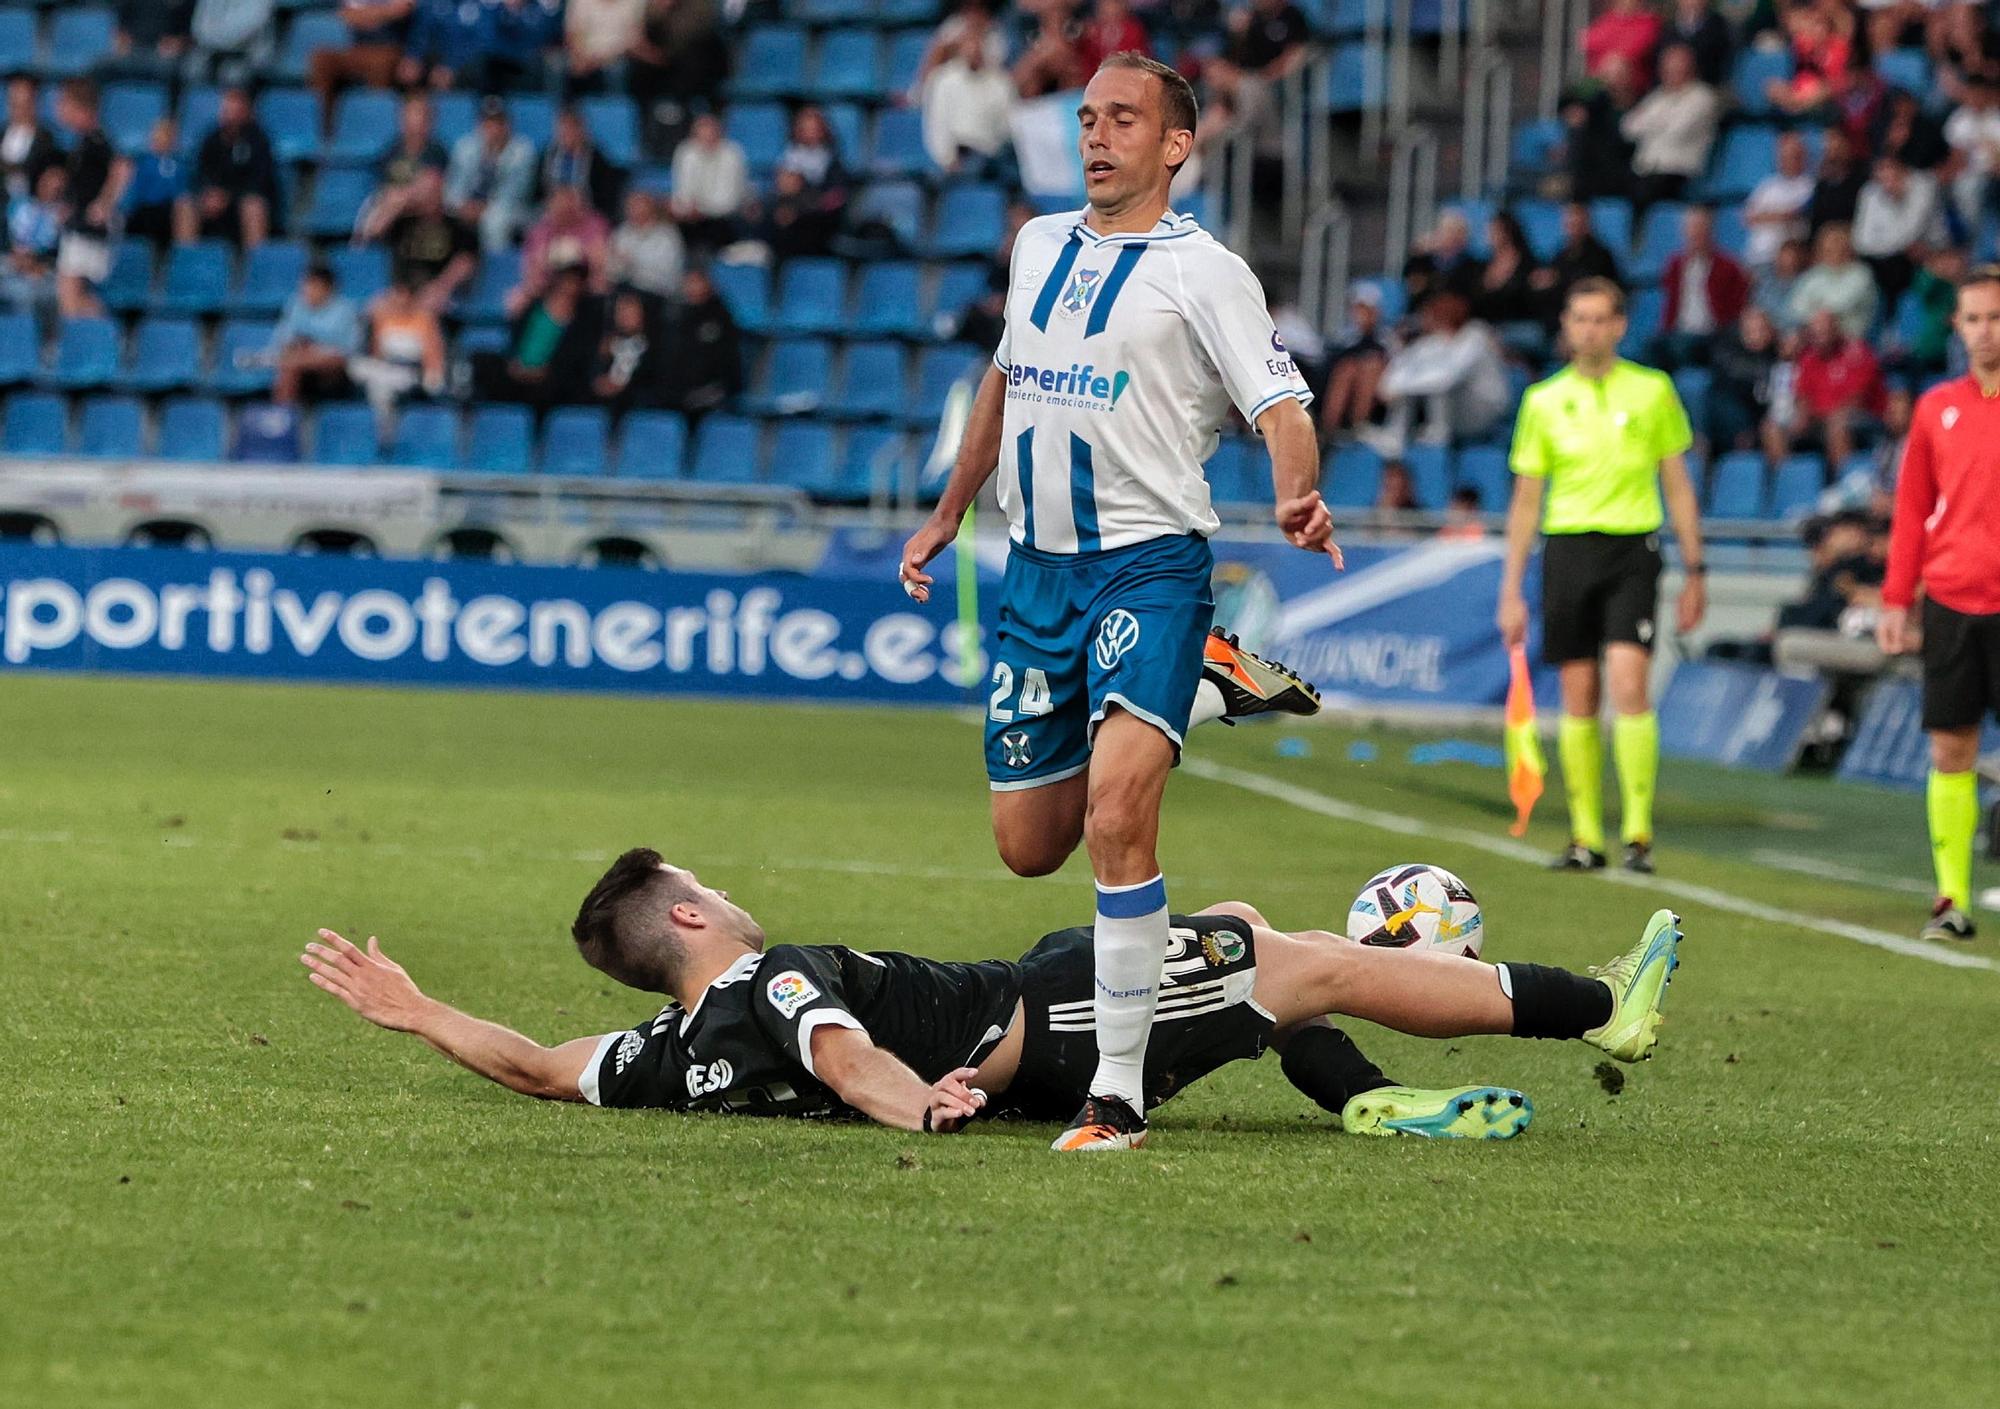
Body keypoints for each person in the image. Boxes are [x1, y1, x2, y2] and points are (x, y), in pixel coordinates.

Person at [897, 54, 1335, 1154]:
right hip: (1037, 574)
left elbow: (1279, 400)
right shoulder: (1035, 244)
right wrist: (951, 507)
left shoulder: (1207, 272)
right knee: (1027, 843)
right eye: (1087, 118)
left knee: (1115, 818)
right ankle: (1206, 683)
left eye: (1122, 119)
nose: (1096, 136)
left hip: (1147, 566)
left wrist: (1296, 489)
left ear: (1174, 145)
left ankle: (1118, 1095)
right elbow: (1005, 374)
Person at [301, 849, 1687, 1138]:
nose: (731, 890)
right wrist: (921, 1107)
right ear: (686, 913)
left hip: (1045, 1032)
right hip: (1057, 1015)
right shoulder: (776, 977)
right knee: (1306, 959)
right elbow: (846, 1059)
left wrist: (421, 1011)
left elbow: (546, 1064)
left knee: (1254, 928)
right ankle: (1597, 1007)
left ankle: (1373, 1105)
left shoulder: (669, 1048)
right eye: (708, 882)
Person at [1498, 278, 1707, 875]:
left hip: (1631, 549)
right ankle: (1586, 835)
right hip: (1565, 550)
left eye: (1599, 319)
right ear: (1566, 325)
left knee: (1629, 684)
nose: (1589, 329)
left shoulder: (1652, 391)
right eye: (1579, 318)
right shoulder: (1543, 400)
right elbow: (1525, 499)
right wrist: (1511, 587)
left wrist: (1696, 568)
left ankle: (1638, 832)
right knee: (1578, 693)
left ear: (1619, 325)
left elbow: (1677, 483)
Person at [1879, 266, 2000, 942]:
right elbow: (1912, 508)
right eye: (1974, 318)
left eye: (1996, 317)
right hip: (1953, 598)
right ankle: (1951, 897)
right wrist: (1898, 596)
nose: (1986, 331)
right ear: (1956, 326)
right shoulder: (1936, 407)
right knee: (1951, 750)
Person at [1367, 290, 1511, 454]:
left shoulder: (1476, 338)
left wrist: (1401, 387)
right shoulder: (1432, 342)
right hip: (1458, 410)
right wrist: (1391, 386)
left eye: (1429, 315)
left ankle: (1438, 437)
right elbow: (1403, 366)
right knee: (1414, 386)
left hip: (1485, 412)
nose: (1423, 320)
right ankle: (1395, 436)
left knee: (1435, 386)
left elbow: (1448, 378)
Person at [1767, 309, 1885, 473]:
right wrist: (1802, 417)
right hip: (1819, 419)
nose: (1819, 338)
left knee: (1836, 425)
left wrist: (1827, 416)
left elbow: (1857, 400)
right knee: (1772, 428)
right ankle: (1789, 481)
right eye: (1815, 334)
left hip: (1861, 417)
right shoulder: (1808, 359)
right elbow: (1803, 397)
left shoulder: (1858, 353)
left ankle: (1842, 485)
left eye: (1824, 332)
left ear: (1836, 330)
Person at [471, 260, 603, 408]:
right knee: (483, 362)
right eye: (566, 279)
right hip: (517, 370)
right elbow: (518, 337)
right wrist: (517, 365)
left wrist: (542, 371)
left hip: (549, 379)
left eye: (574, 282)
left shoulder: (583, 320)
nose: (568, 286)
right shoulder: (534, 307)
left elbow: (574, 359)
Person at [53, 81, 131, 320]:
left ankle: (111, 338)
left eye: (65, 104)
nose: (59, 110)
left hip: (89, 230)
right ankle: (95, 342)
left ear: (82, 109)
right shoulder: (83, 141)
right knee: (70, 299)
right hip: (78, 226)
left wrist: (104, 204)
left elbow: (123, 168)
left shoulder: (98, 139)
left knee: (70, 295)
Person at [358, 165, 479, 313]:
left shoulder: (456, 224)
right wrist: (400, 203)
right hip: (402, 291)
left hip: (439, 292)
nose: (428, 197)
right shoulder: (403, 222)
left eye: (433, 191)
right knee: (374, 309)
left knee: (426, 307)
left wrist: (441, 286)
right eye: (424, 191)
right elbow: (373, 232)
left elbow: (465, 262)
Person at [1620, 44, 1721, 213]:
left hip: (1680, 172)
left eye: (1676, 69)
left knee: (1646, 194)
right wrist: (1663, 121)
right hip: (1646, 170)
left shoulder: (1702, 97)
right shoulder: (1658, 96)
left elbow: (1678, 132)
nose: (1670, 74)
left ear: (1690, 69)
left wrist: (1650, 121)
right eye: (1667, 69)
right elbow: (1627, 128)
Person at [345, 276, 446, 434]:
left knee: (380, 388)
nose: (398, 300)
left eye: (402, 295)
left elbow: (433, 354)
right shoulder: (382, 318)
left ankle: (385, 434)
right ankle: (382, 430)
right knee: (359, 368)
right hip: (386, 369)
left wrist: (433, 378)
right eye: (395, 295)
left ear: (411, 297)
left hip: (411, 373)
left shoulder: (425, 319)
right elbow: (376, 354)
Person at [1655, 205, 1750, 370]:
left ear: (1710, 231)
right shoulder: (1675, 265)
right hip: (1679, 331)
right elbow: (1670, 303)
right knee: (1651, 348)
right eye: (1691, 229)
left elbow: (1737, 306)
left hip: (1712, 334)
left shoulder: (1728, 266)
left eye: (1699, 228)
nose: (1695, 234)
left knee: (1682, 348)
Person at [446, 98, 537, 255]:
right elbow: (453, 187)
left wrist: (481, 209)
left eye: (498, 123)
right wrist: (463, 206)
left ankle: (493, 270)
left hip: (509, 209)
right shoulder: (465, 147)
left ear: (508, 125)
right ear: (479, 125)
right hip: (467, 205)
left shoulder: (522, 151)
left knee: (495, 221)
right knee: (444, 211)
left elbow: (514, 195)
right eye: (488, 123)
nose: (493, 129)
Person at [1852, 155, 1946, 307]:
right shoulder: (1870, 192)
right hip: (1890, 257)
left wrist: (1897, 200)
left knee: (1903, 260)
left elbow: (1911, 233)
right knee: (1869, 268)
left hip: (1932, 250)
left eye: (1892, 172)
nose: (1887, 181)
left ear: (1903, 170)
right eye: (1881, 174)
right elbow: (1860, 241)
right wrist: (1888, 248)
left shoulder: (1924, 185)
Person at [921, 30, 1017, 175]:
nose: (974, 51)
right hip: (958, 154)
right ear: (961, 49)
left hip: (992, 155)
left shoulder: (1001, 82)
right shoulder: (943, 80)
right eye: (969, 46)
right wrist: (947, 159)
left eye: (979, 46)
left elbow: (1007, 127)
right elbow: (937, 124)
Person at [194, 87, 278, 248]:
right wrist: (209, 193)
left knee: (253, 207)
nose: (231, 114)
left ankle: (256, 264)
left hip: (243, 200)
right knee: (186, 206)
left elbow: (260, 180)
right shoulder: (211, 139)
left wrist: (229, 196)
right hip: (215, 201)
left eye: (236, 109)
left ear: (246, 111)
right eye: (228, 109)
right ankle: (187, 261)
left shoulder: (259, 140)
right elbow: (202, 172)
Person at [511, 183, 612, 318]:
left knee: (601, 287)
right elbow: (532, 268)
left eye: (570, 201)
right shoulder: (540, 231)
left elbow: (599, 261)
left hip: (584, 284)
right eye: (559, 202)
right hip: (549, 285)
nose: (565, 207)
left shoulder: (595, 225)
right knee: (516, 300)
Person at [268, 264, 362, 405]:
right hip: (300, 363)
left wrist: (316, 349)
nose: (307, 290)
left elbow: (350, 350)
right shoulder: (295, 306)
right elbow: (283, 340)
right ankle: (282, 417)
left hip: (336, 369)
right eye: (305, 285)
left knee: (295, 363)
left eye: (313, 286)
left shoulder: (346, 309)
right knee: (289, 366)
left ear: (327, 288)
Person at [658, 265, 741, 418]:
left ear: (707, 283)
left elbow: (725, 360)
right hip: (682, 391)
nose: (692, 288)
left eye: (696, 282)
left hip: (712, 389)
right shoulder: (680, 317)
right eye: (689, 282)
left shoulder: (720, 317)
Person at [1704, 306, 1782, 458]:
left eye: (1761, 330)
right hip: (1735, 422)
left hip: (1769, 418)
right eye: (1750, 331)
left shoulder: (1778, 353)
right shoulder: (1728, 352)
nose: (1756, 336)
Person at [309, 0, 417, 109]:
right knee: (322, 59)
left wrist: (367, 13)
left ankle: (374, 117)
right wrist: (384, 13)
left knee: (379, 63)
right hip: (358, 48)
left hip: (390, 49)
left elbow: (401, 10)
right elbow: (347, 15)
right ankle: (321, 120)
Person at [1317, 283, 1391, 439]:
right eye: (1358, 308)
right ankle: (1328, 430)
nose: (1361, 314)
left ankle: (1358, 425)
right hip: (1342, 383)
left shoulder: (1387, 338)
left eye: (1365, 309)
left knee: (1369, 367)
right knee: (1347, 370)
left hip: (1381, 388)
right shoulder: (1344, 338)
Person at [667, 113, 748, 253]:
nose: (707, 140)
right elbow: (682, 190)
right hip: (691, 218)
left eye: (711, 134)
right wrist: (686, 207)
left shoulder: (733, 154)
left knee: (714, 229)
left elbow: (729, 201)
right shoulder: (686, 152)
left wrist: (702, 209)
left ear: (720, 133)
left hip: (723, 219)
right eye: (701, 136)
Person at [1532, 200, 1622, 323]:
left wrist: (1557, 279)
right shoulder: (1562, 253)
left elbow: (1591, 284)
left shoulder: (1600, 254)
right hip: (1562, 311)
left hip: (1590, 312)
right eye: (1569, 222)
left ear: (1586, 224)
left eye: (1576, 222)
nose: (1572, 227)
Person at [1787, 221, 1879, 337]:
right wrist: (1820, 315)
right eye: (1828, 249)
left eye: (1838, 247)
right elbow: (1796, 307)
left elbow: (1841, 305)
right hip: (1818, 338)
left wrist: (1816, 306)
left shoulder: (1861, 274)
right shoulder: (1814, 274)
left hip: (1851, 339)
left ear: (1847, 249)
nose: (1834, 253)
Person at [1742, 130, 1815, 270]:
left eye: (1794, 155)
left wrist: (1767, 215)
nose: (1788, 160)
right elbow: (1748, 217)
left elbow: (1798, 213)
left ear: (1803, 156)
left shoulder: (1811, 186)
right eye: (1785, 155)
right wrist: (1782, 215)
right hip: (1758, 256)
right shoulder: (1767, 185)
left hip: (1792, 260)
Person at [123, 117, 194, 248]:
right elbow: (133, 189)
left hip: (168, 212)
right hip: (143, 209)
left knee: (184, 207)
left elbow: (182, 192)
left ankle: (184, 253)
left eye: (167, 137)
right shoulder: (141, 161)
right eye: (158, 136)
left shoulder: (180, 165)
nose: (161, 140)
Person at [590, 287, 663, 412]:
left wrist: (623, 388)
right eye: (620, 310)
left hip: (637, 411)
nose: (624, 316)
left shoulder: (654, 347)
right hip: (601, 408)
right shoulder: (605, 344)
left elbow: (654, 384)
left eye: (630, 310)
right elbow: (593, 378)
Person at [2, 164, 63, 312]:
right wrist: (13, 255)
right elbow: (5, 235)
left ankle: (23, 332)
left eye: (56, 187)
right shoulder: (19, 204)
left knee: (26, 293)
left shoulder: (61, 215)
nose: (49, 188)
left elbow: (60, 252)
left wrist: (35, 262)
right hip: (11, 260)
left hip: (42, 269)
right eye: (46, 182)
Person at [607, 189, 684, 298]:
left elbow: (667, 274)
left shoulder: (667, 235)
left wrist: (633, 262)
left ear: (650, 208)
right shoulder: (622, 232)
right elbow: (612, 268)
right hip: (624, 289)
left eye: (637, 206)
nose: (632, 210)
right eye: (630, 206)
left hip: (657, 292)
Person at [1472, 211, 1540, 327]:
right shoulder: (1482, 266)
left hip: (1520, 325)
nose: (1489, 235)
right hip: (1486, 326)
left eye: (1493, 231)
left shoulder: (1528, 265)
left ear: (1507, 232)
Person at [0, 77, 60, 203]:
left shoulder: (47, 138)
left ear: (34, 103)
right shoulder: (2, 133)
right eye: (14, 102)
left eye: (24, 103)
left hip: (31, 206)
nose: (18, 109)